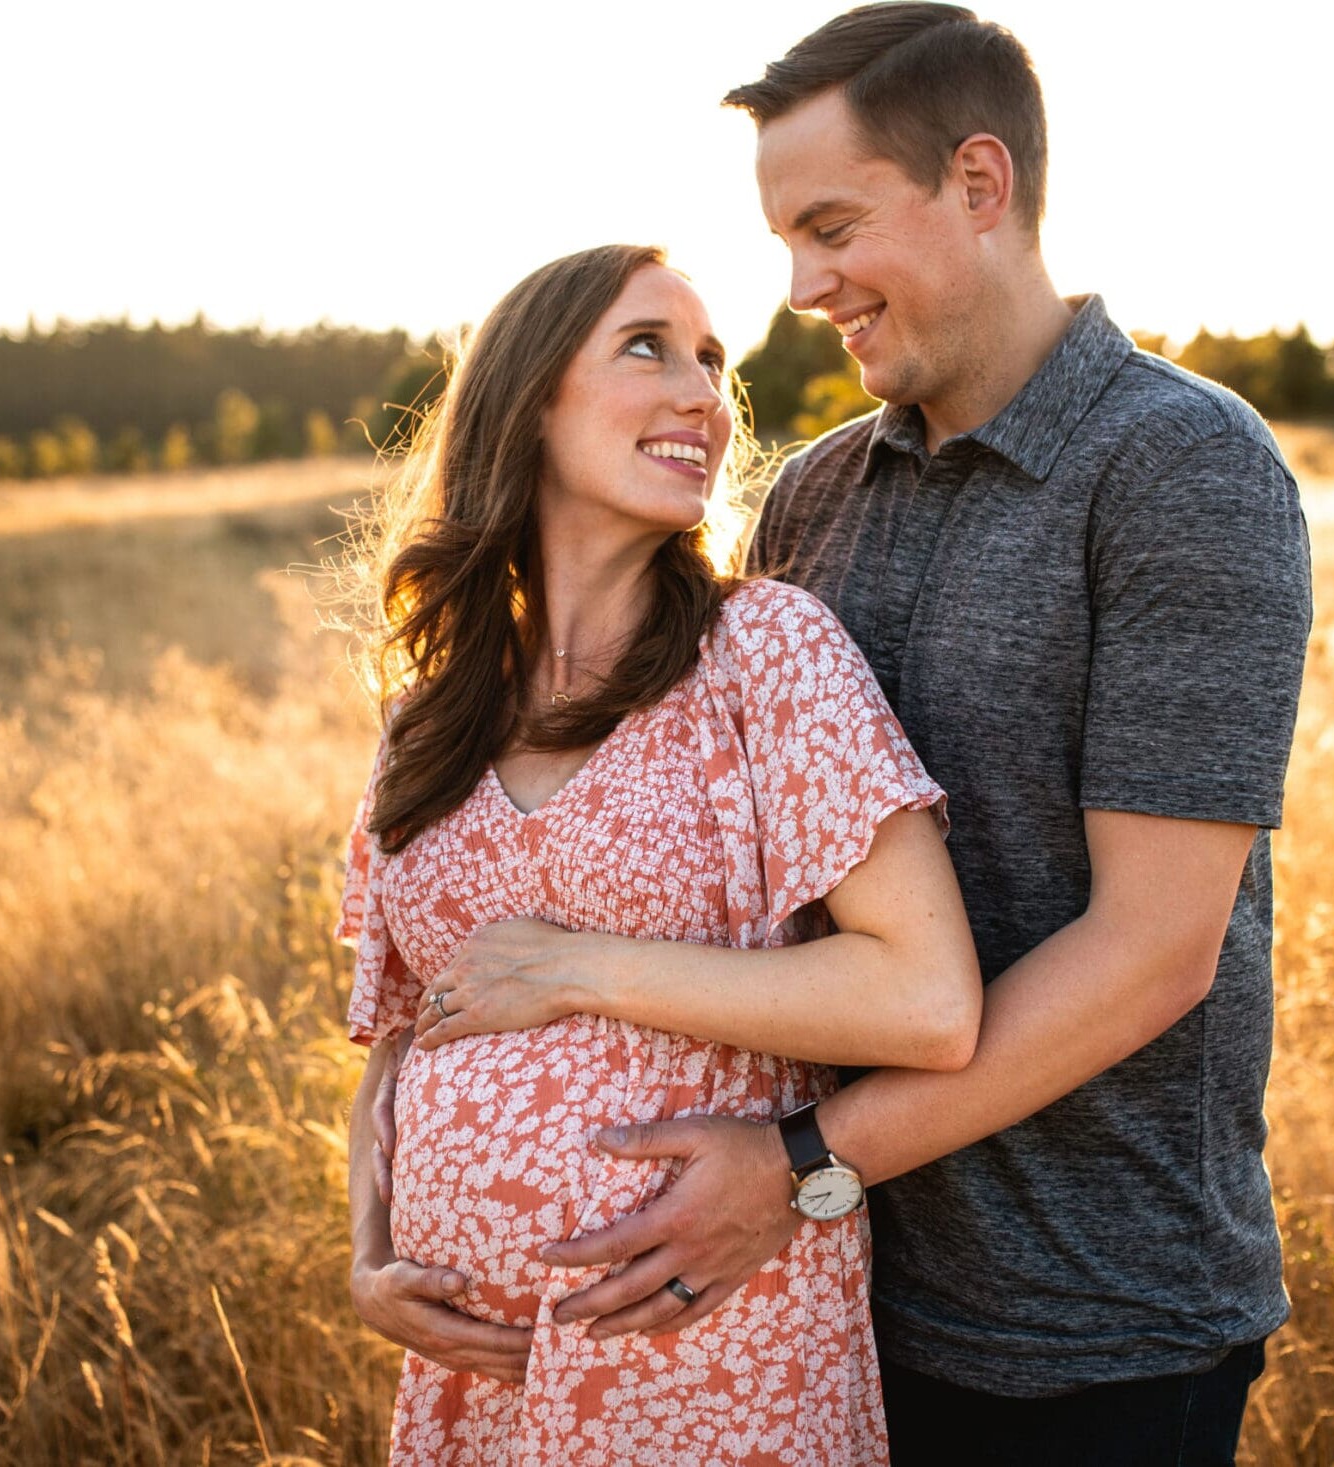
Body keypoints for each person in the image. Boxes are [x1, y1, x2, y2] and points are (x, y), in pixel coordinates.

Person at [371, 8, 1316, 1464]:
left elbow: (1155, 949)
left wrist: (805, 1162)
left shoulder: (1180, 467)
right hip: (818, 1289)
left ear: (980, 185)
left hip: (1086, 1311)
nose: (801, 288)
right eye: (784, 242)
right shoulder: (814, 497)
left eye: (832, 227)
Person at [338, 242, 983, 1464]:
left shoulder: (764, 653)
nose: (703, 394)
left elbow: (926, 998)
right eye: (649, 347)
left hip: (712, 1358)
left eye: (711, 360)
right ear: (525, 397)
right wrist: (370, 1256)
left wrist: (583, 966)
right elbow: (406, 1039)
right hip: (473, 1387)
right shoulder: (430, 717)